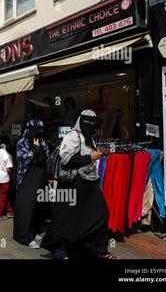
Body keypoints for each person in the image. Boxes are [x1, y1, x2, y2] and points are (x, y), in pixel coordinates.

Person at [41, 110, 115, 259]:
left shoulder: (89, 137)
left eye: (93, 123)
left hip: (90, 182)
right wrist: (90, 157)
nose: (90, 126)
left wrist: (96, 155)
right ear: (81, 121)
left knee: (100, 214)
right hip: (74, 182)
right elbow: (66, 159)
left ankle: (98, 249)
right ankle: (59, 249)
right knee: (66, 218)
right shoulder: (73, 136)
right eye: (87, 122)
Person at [13, 120, 49, 249]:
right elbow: (24, 159)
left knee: (39, 206)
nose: (38, 133)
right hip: (27, 178)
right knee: (26, 207)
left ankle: (35, 231)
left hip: (41, 177)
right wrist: (35, 149)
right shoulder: (22, 143)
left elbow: (46, 156)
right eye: (35, 129)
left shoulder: (42, 140)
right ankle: (24, 236)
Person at [0, 136, 15, 221]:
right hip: (4, 179)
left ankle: (9, 211)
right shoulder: (7, 155)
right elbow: (8, 169)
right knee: (3, 197)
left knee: (4, 196)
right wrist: (13, 176)